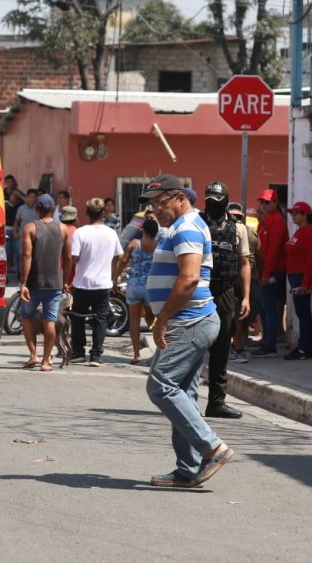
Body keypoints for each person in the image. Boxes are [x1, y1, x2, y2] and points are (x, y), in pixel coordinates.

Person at [141, 174, 234, 488]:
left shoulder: (188, 227)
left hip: (188, 321)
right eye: (151, 205)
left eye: (160, 203)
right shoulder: (178, 227)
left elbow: (190, 278)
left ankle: (212, 448)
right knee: (184, 392)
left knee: (160, 386)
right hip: (191, 320)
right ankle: (189, 468)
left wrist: (163, 318)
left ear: (179, 197)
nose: (155, 210)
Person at [200, 181, 251, 419]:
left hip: (225, 292)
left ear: (225, 201)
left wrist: (246, 297)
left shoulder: (238, 228)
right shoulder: (197, 223)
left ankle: (216, 403)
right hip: (199, 289)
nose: (212, 205)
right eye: (209, 200)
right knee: (194, 344)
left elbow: (244, 263)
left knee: (221, 347)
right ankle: (186, 399)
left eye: (216, 201)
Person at [19, 194, 72, 372]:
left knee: (26, 317)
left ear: (38, 209)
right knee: (50, 320)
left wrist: (23, 283)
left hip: (33, 282)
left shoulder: (30, 228)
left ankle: (33, 355)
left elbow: (26, 255)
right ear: (52, 209)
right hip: (54, 282)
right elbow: (68, 258)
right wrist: (65, 281)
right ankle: (46, 361)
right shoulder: (64, 229)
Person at [69, 197, 122, 366]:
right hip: (103, 284)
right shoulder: (111, 233)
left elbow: (74, 258)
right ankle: (96, 355)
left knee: (77, 318)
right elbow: (116, 257)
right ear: (104, 213)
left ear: (87, 213)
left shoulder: (80, 233)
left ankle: (78, 352)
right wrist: (113, 277)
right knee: (100, 319)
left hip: (82, 283)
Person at [117, 217, 160, 365]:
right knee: (152, 320)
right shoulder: (159, 246)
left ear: (143, 230)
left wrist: (115, 276)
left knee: (134, 321)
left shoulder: (135, 244)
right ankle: (158, 351)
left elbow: (123, 261)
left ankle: (136, 355)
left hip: (134, 285)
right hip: (152, 287)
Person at [253, 188, 288, 357]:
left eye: (267, 202)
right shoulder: (266, 221)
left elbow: (273, 250)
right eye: (262, 202)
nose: (264, 205)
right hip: (264, 271)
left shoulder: (277, 222)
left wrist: (266, 273)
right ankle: (267, 341)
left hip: (273, 272)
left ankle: (270, 344)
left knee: (270, 308)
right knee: (264, 308)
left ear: (275, 203)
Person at [284, 201, 312, 360]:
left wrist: (307, 283)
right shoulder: (299, 232)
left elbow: (311, 260)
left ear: (305, 215)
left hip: (301, 277)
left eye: (296, 213)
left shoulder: (310, 233)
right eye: (292, 213)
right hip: (295, 276)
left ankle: (305, 348)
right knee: (301, 312)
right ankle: (303, 346)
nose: (293, 215)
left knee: (303, 312)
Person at [227, 203, 259, 364]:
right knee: (244, 314)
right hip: (249, 278)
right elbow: (260, 255)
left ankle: (238, 348)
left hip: (236, 278)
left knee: (236, 316)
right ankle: (240, 344)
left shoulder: (227, 232)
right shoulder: (251, 233)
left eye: (237, 217)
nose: (236, 220)